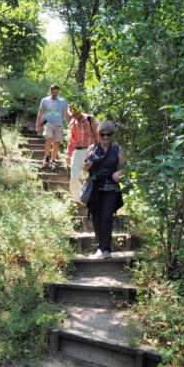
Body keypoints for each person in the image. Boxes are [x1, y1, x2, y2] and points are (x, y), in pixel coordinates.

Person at [83, 120, 124, 258]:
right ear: (99, 134)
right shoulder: (92, 148)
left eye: (109, 134)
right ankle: (99, 248)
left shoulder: (118, 149)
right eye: (102, 134)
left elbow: (123, 168)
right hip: (95, 187)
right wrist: (86, 167)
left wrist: (119, 173)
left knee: (106, 218)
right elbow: (85, 167)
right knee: (96, 218)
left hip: (111, 187)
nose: (105, 137)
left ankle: (107, 249)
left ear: (112, 134)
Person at [65, 102, 99, 203]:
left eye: (76, 113)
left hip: (90, 150)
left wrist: (100, 150)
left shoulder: (89, 118)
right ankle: (78, 198)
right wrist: (68, 154)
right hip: (77, 152)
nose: (75, 116)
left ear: (80, 110)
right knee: (74, 178)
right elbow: (71, 140)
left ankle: (94, 199)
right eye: (73, 114)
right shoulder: (72, 123)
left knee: (93, 176)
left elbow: (97, 134)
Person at [35, 84, 70, 166]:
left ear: (58, 92)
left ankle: (53, 160)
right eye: (53, 92)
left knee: (56, 142)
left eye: (56, 92)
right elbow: (40, 113)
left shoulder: (62, 101)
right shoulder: (44, 100)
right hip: (48, 123)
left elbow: (65, 113)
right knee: (49, 137)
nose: (55, 94)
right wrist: (37, 126)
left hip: (58, 124)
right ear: (50, 91)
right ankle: (46, 157)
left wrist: (70, 124)